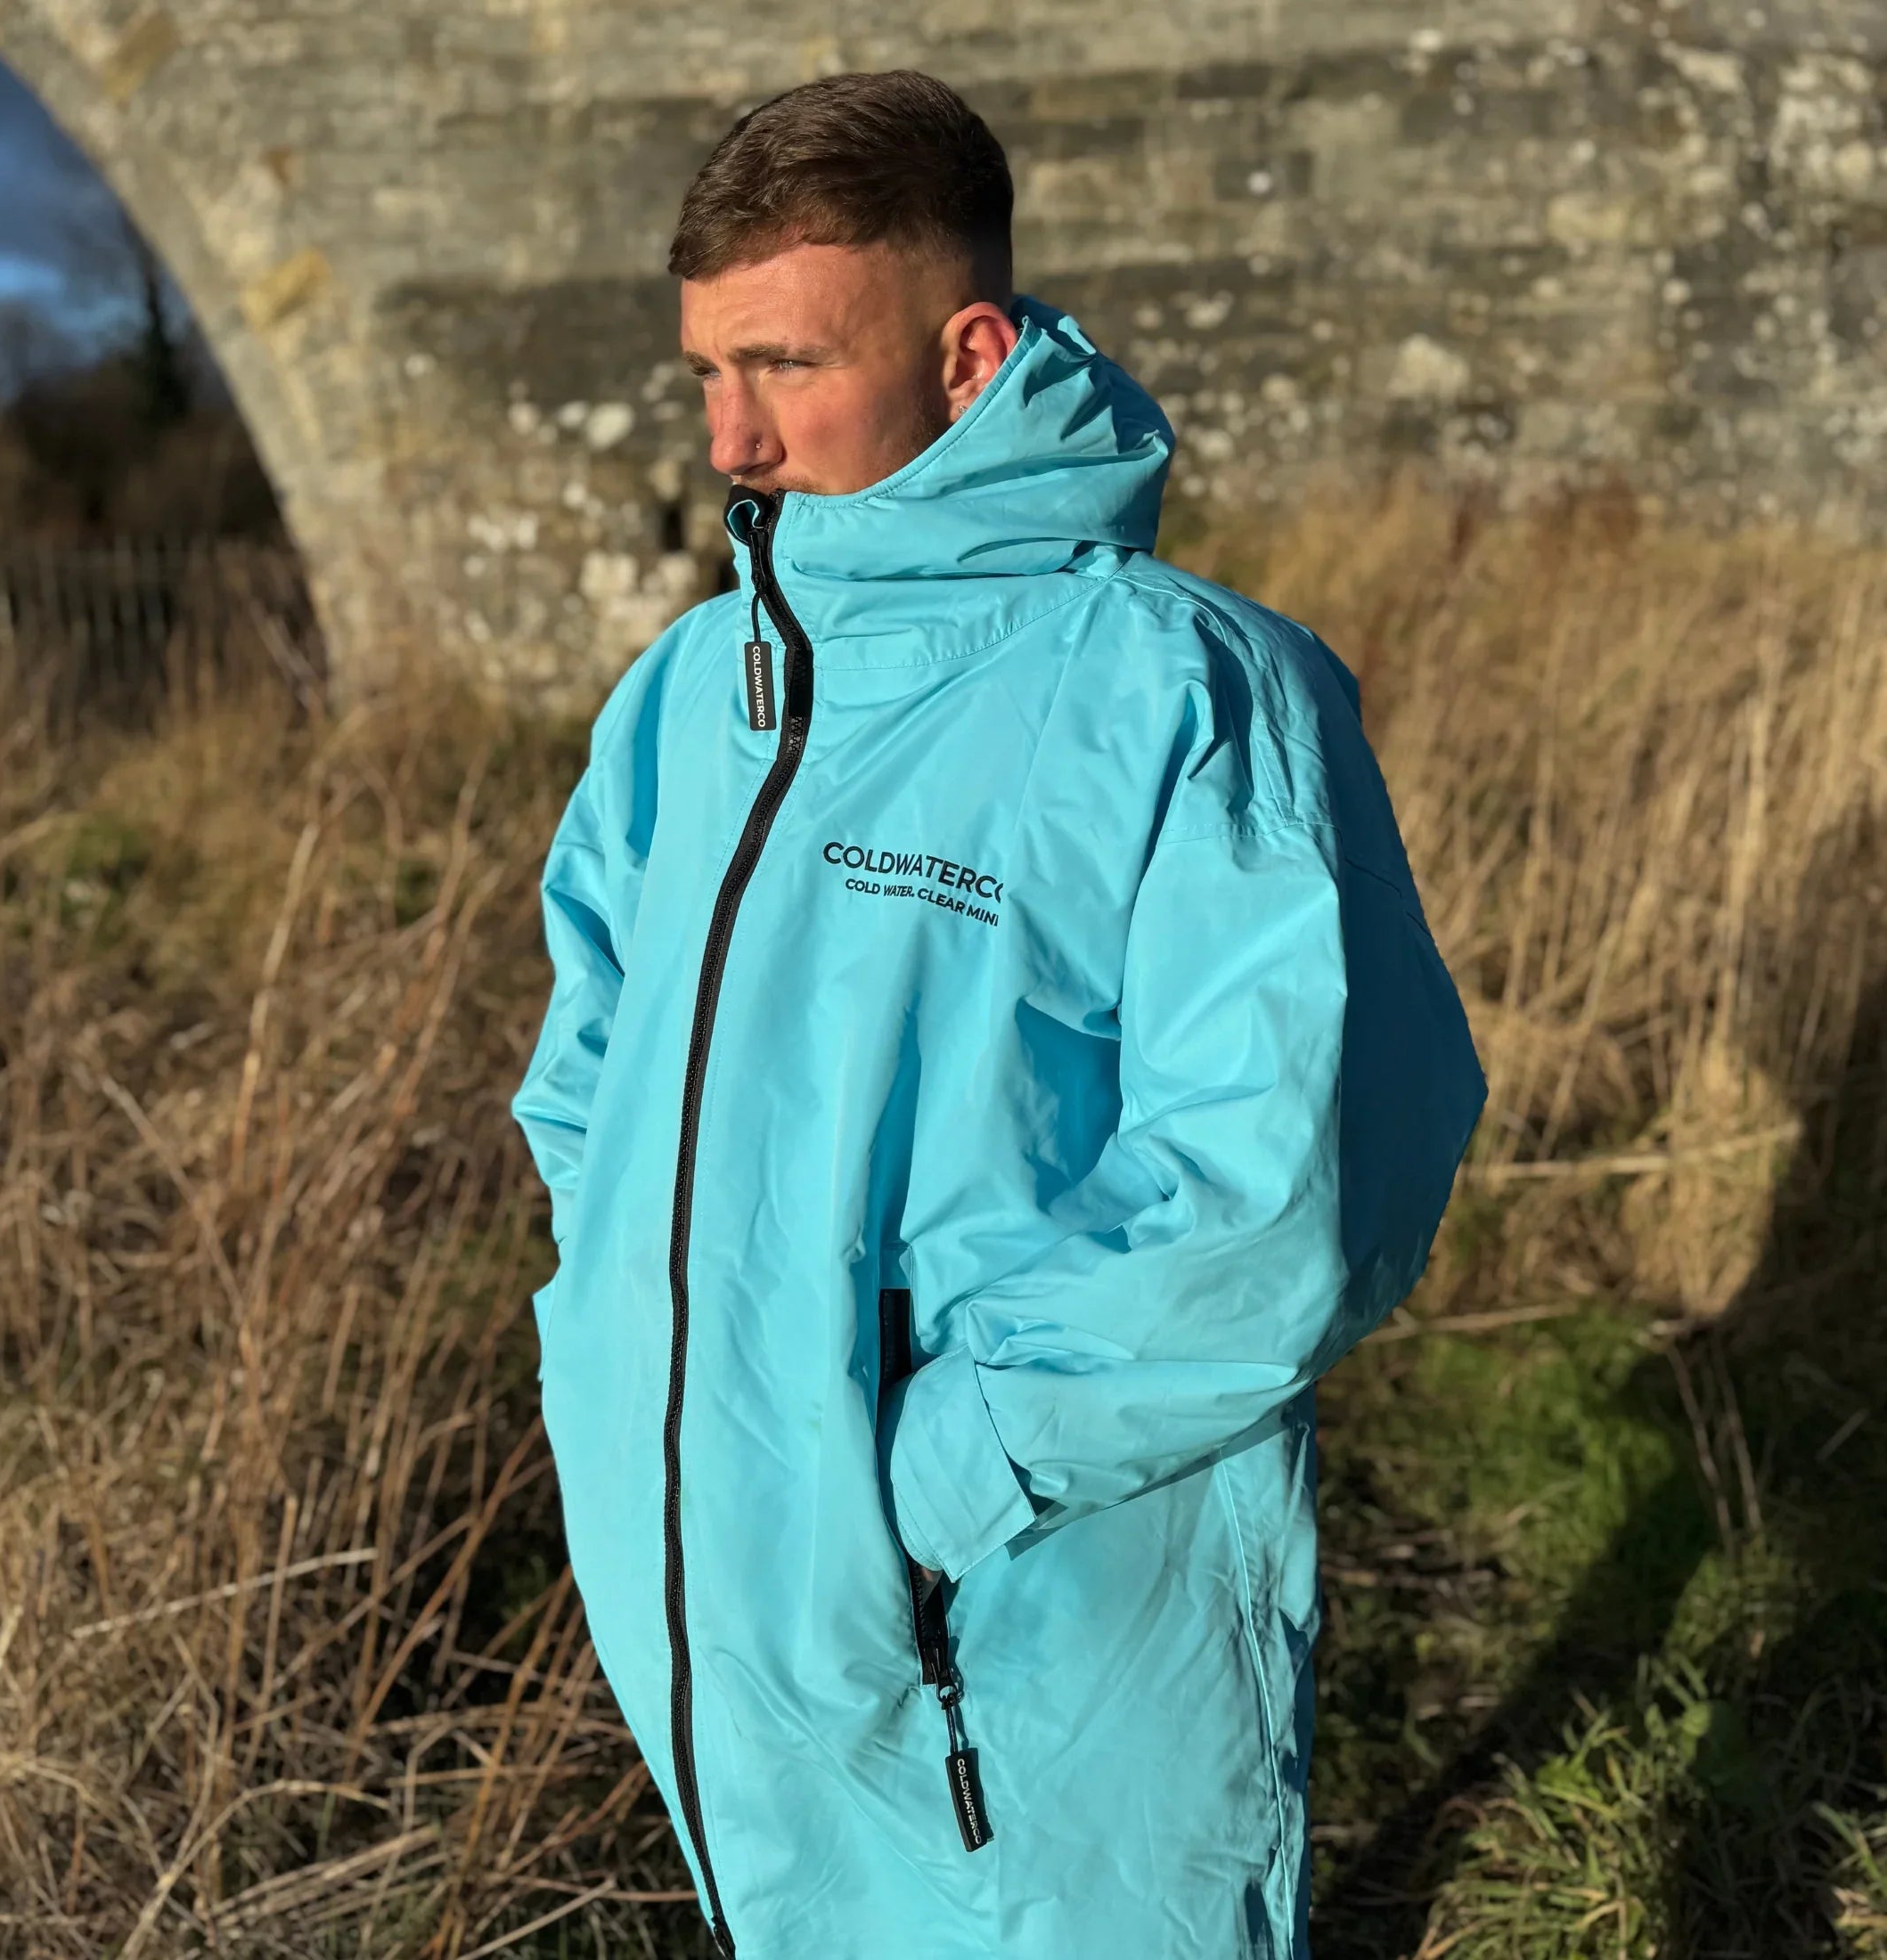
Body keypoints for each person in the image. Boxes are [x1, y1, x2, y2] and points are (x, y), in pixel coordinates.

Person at [510, 67, 1486, 1960]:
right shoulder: (685, 699)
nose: (730, 440)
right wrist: (629, 1350)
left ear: (965, 356)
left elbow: (1288, 1191)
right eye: (703, 372)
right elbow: (588, 1086)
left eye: (786, 366)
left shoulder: (1188, 689)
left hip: (1037, 1613)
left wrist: (935, 1475)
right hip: (714, 1585)